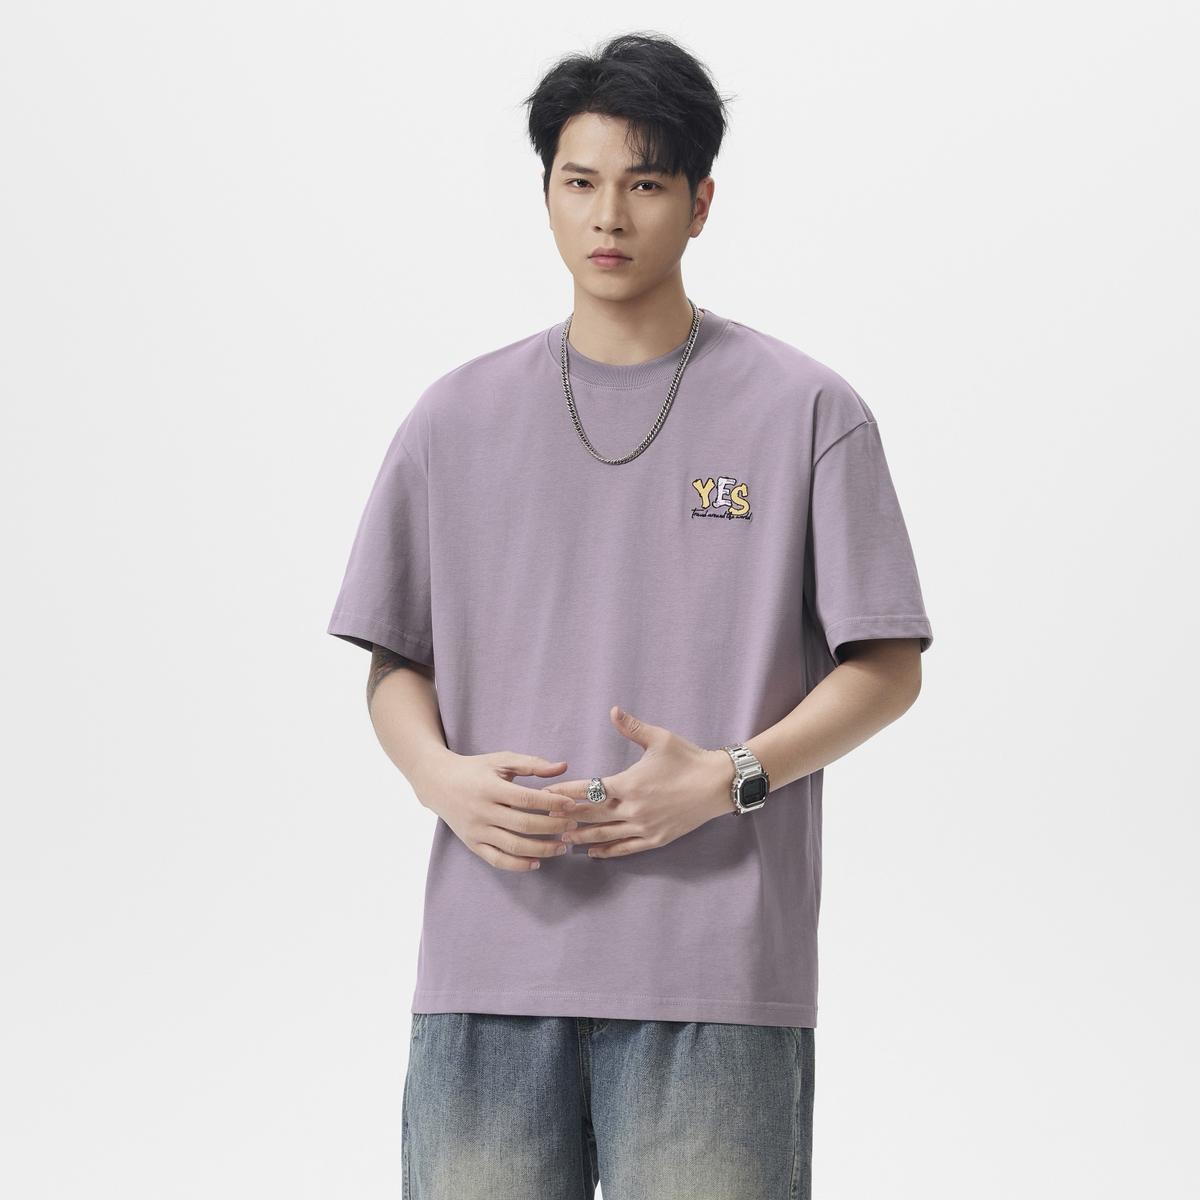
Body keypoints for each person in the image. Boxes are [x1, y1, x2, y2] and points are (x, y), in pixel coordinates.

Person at [325, 31, 933, 1200]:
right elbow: (395, 659)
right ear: (547, 194)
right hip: (488, 967)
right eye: (581, 182)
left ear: (701, 203)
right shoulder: (454, 418)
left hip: (716, 975)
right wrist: (439, 778)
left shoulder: (807, 411)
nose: (609, 216)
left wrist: (730, 776)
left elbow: (888, 663)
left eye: (647, 184)